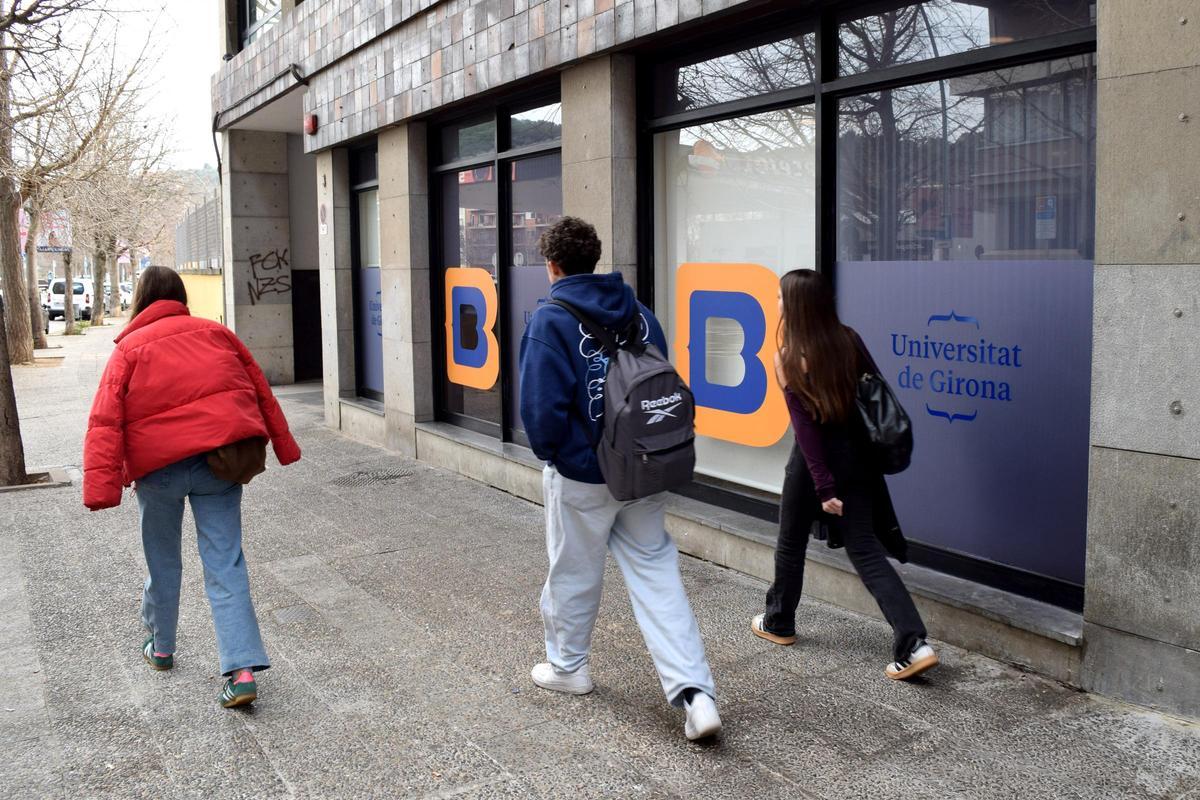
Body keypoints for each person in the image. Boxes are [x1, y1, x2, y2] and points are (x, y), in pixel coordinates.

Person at [518, 217, 721, 741]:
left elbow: (540, 414)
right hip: (643, 470)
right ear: (594, 257)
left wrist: (562, 457)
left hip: (585, 476)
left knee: (573, 572)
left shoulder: (551, 320)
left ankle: (568, 668)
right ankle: (695, 694)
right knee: (657, 574)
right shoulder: (641, 313)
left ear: (553, 265)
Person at [83, 266, 301, 708]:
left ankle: (161, 648)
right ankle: (241, 672)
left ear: (141, 300)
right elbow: (261, 391)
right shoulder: (216, 334)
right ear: (180, 296)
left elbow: (105, 420)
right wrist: (284, 444)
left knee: (162, 562)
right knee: (225, 563)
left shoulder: (128, 350)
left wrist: (101, 487)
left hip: (157, 472)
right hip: (217, 466)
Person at [751, 269, 938, 681]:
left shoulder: (787, 357)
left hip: (814, 465)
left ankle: (779, 622)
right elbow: (877, 392)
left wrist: (823, 485)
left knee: (790, 540)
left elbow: (807, 431)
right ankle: (914, 643)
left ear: (797, 306)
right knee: (867, 550)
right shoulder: (848, 339)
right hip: (860, 457)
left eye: (782, 298)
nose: (778, 304)